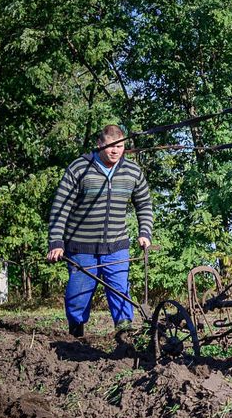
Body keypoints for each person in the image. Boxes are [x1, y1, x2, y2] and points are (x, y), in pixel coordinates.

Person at [47, 124, 153, 338]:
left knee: (120, 290)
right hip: (81, 246)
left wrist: (145, 232)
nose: (115, 151)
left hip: (117, 245)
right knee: (78, 296)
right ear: (99, 145)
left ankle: (125, 336)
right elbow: (60, 207)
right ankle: (76, 334)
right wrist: (56, 242)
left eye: (120, 146)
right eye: (110, 147)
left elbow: (144, 204)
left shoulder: (132, 171)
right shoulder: (79, 168)